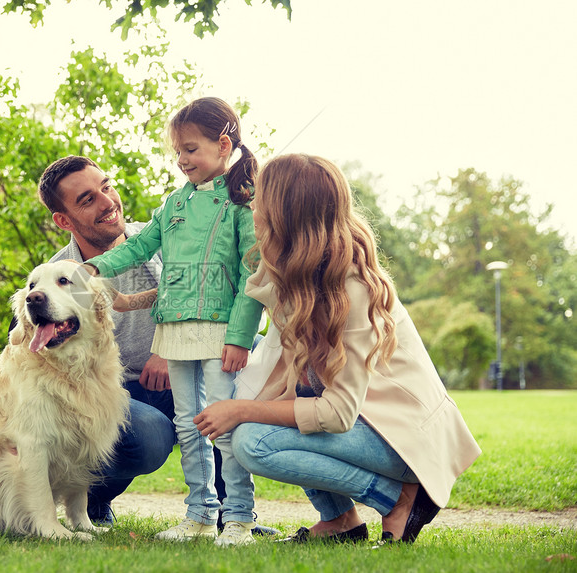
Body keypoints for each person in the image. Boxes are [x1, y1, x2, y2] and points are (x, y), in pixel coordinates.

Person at [193, 153, 482, 545]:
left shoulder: (351, 288)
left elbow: (337, 412)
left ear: (286, 214)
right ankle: (340, 521)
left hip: (401, 438)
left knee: (253, 442)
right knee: (266, 415)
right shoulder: (302, 271)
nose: (252, 207)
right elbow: (288, 366)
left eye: (260, 200)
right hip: (367, 422)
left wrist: (241, 411)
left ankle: (398, 499)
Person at [83, 97, 264, 546]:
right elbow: (135, 246)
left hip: (222, 333)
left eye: (191, 149)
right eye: (178, 152)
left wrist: (241, 337)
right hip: (175, 330)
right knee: (188, 425)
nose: (182, 160)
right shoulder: (173, 205)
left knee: (221, 423)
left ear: (223, 146)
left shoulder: (243, 206)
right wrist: (96, 268)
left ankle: (238, 517)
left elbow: (251, 278)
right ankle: (199, 514)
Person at [37, 155, 176, 528]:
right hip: (109, 393)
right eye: (87, 199)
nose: (107, 202)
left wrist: (166, 347)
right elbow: (40, 356)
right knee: (149, 435)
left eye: (106, 186)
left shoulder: (160, 240)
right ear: (63, 221)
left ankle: (232, 515)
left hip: (180, 368)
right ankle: (92, 498)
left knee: (251, 360)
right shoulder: (58, 277)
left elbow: (200, 296)